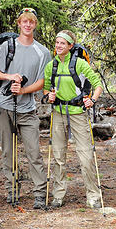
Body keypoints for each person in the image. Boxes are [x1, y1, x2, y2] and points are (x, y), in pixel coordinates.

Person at [0, 8, 51, 209]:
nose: (27, 25)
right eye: (24, 21)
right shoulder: (8, 46)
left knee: (34, 153)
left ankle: (40, 194)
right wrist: (10, 77)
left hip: (27, 110)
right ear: (19, 23)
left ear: (35, 25)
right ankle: (12, 189)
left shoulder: (43, 52)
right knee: (9, 152)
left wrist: (23, 90)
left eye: (31, 22)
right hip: (4, 108)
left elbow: (42, 81)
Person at [43, 30, 103, 209]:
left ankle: (93, 196)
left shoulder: (80, 64)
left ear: (70, 46)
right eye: (57, 42)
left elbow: (97, 84)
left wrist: (92, 100)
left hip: (78, 112)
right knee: (58, 156)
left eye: (63, 43)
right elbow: (46, 89)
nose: (58, 46)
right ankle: (58, 195)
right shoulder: (51, 66)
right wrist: (49, 97)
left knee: (85, 156)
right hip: (58, 112)